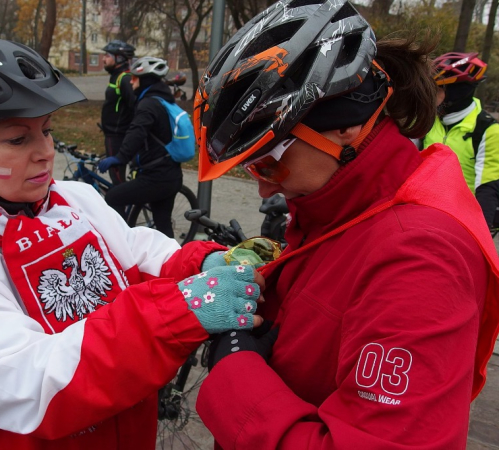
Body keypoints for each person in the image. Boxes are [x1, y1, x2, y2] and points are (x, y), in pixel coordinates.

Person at [0, 37, 266, 449]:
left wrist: (196, 264)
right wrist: (183, 311)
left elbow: (136, 251)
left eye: (47, 130)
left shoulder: (74, 197)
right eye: (18, 140)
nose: (45, 152)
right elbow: (35, 385)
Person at [191, 1, 499, 448]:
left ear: (344, 130)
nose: (261, 191)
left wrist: (235, 370)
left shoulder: (422, 260)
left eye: (269, 165)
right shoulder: (337, 210)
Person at [98, 56, 182, 238]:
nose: (131, 80)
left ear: (146, 80)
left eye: (135, 77)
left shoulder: (148, 104)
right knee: (163, 227)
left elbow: (137, 131)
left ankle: (121, 241)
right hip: (170, 174)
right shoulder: (163, 100)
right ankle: (174, 261)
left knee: (113, 197)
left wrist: (120, 157)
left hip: (156, 177)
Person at [423, 52, 499, 231]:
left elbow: (487, 188)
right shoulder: (428, 121)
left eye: (438, 89)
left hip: (462, 223)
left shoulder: (487, 129)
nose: (432, 95)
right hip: (425, 216)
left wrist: (481, 236)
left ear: (457, 93)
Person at [100, 40, 136, 185]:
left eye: (107, 55)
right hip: (114, 134)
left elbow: (135, 107)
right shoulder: (117, 76)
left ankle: (121, 206)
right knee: (118, 178)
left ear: (119, 58)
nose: (103, 59)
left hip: (117, 137)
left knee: (118, 181)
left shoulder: (124, 79)